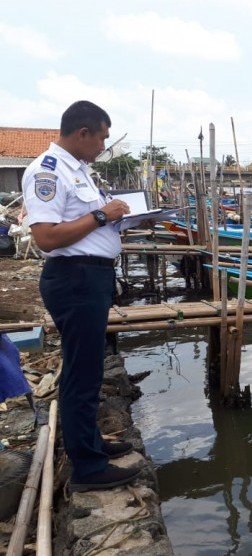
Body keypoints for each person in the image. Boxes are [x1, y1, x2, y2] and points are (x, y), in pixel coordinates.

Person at [23, 101, 138, 492]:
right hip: (75, 279)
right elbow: (46, 237)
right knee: (81, 372)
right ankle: (88, 469)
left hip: (91, 277)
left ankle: (91, 445)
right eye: (103, 137)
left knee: (87, 368)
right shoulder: (48, 172)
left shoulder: (80, 172)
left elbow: (84, 223)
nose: (104, 146)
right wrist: (103, 215)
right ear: (83, 133)